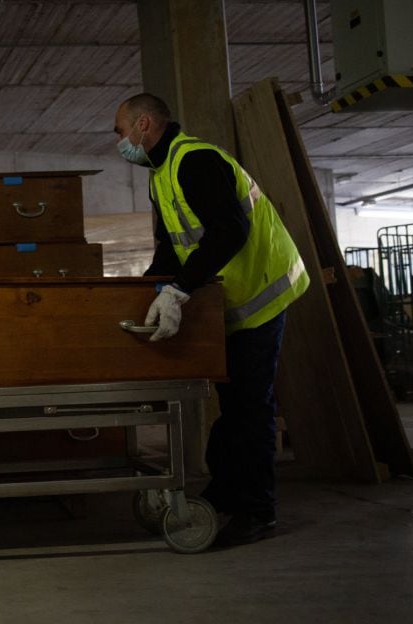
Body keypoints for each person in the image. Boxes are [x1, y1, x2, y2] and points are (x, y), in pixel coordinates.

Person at [112, 93, 309, 547]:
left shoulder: (195, 160)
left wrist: (179, 290)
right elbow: (172, 245)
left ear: (144, 125)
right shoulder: (162, 174)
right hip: (231, 303)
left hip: (260, 296)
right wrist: (144, 289)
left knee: (250, 409)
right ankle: (223, 492)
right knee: (233, 407)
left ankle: (257, 511)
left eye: (120, 131)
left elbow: (229, 230)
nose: (120, 142)